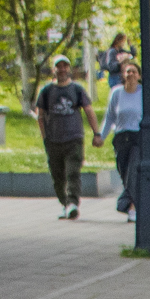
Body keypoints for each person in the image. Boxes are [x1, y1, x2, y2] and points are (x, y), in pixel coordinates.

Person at [30, 54, 93, 220]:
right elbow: (40, 115)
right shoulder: (47, 91)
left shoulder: (77, 89)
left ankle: (73, 203)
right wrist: (45, 138)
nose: (62, 69)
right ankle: (65, 204)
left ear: (69, 69)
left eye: (65, 66)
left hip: (74, 138)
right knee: (57, 176)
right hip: (54, 140)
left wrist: (97, 133)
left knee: (73, 172)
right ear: (54, 69)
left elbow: (88, 110)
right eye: (59, 66)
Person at [96, 57, 148, 221]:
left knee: (133, 171)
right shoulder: (117, 93)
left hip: (138, 136)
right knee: (125, 173)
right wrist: (100, 136)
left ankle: (130, 207)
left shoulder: (144, 94)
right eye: (128, 71)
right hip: (121, 138)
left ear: (139, 75)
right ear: (123, 75)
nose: (131, 74)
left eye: (134, 71)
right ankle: (131, 203)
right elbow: (110, 117)